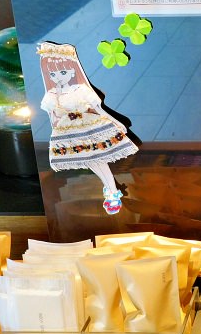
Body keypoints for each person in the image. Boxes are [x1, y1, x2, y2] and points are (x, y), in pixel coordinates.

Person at [37, 42, 138, 214]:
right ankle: (110, 188)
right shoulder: (52, 94)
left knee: (96, 158)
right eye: (52, 74)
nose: (58, 77)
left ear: (72, 71)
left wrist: (115, 122)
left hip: (90, 125)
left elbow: (99, 109)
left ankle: (112, 190)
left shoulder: (81, 90)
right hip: (69, 130)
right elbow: (53, 117)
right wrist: (56, 133)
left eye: (63, 72)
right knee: (89, 159)